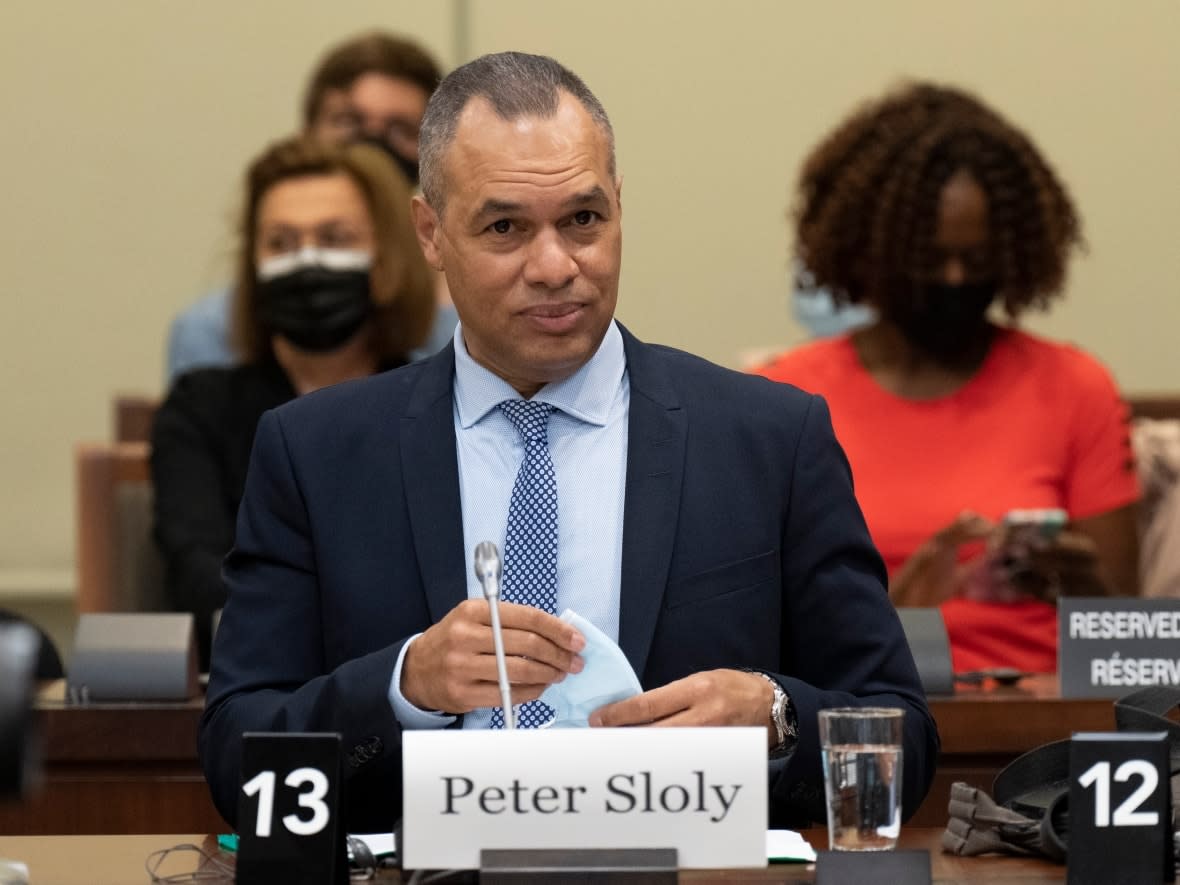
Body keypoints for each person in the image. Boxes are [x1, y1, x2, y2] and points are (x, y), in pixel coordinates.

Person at [199, 51, 937, 833]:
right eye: (505, 226)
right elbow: (235, 758)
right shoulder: (316, 453)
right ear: (430, 232)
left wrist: (778, 714)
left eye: (583, 220)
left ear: (619, 207)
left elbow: (904, 738)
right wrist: (402, 686)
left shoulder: (769, 440)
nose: (554, 266)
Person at [756, 82, 1140, 674]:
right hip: (868, 721)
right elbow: (763, 644)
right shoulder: (786, 399)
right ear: (869, 251)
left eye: (979, 260)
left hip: (1040, 732)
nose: (957, 280)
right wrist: (891, 617)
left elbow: (1131, 658)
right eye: (930, 261)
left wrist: (1084, 590)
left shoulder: (1073, 388)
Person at [152, 136, 435, 670]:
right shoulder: (200, 408)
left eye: (335, 238)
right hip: (253, 694)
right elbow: (196, 576)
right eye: (280, 243)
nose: (307, 261)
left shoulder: (440, 401)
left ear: (385, 260)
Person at [166, 30, 455, 381]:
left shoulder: (464, 327)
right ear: (308, 132)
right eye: (348, 122)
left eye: (401, 129)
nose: (371, 145)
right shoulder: (211, 331)